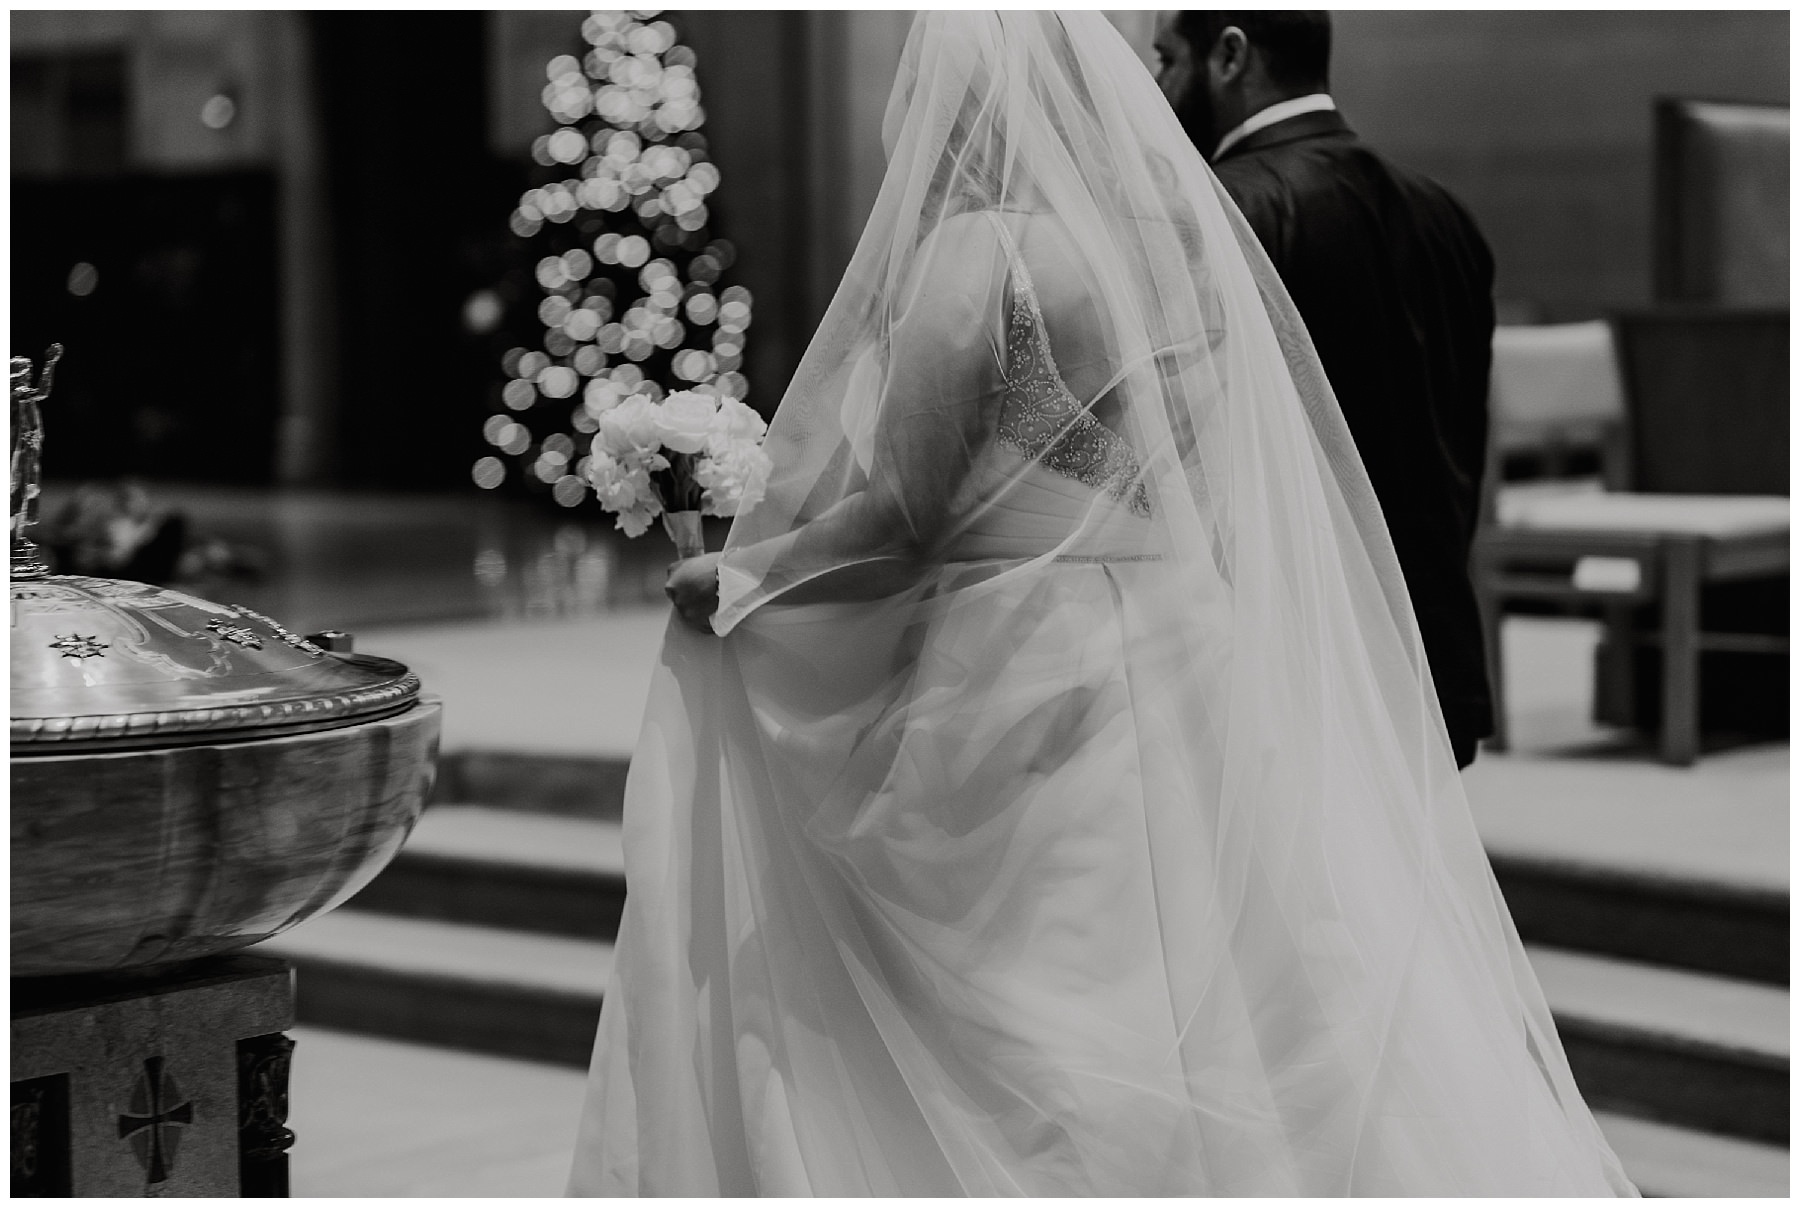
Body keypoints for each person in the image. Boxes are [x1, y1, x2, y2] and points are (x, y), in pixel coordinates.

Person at [569, 11, 1633, 1196]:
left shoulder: (978, 253)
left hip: (1012, 662)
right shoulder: (1176, 248)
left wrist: (745, 574)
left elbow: (905, 517)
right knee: (1225, 980)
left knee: (1035, 1003)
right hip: (1180, 640)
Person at [1153, 11, 1496, 768]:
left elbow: (1185, 461)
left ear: (1230, 55)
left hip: (1287, 669)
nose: (1156, 85)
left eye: (1166, 58)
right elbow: (1459, 448)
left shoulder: (1215, 213)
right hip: (1431, 650)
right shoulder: (1446, 214)